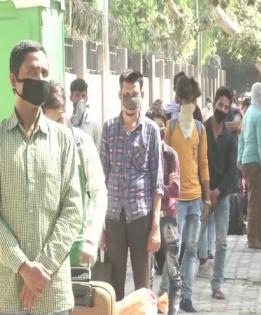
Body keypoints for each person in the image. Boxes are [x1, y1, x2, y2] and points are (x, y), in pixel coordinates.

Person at [0, 40, 82, 315]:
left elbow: (73, 211)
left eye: (45, 73)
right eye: (33, 72)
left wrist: (42, 269)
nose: (40, 79)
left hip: (53, 297)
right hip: (6, 297)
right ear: (14, 79)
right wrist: (24, 268)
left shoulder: (63, 140)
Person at [100, 69, 163, 301]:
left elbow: (157, 184)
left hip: (141, 217)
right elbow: (100, 180)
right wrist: (99, 227)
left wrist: (155, 227)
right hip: (114, 216)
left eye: (134, 93)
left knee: (143, 285)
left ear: (142, 93)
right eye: (126, 93)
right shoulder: (108, 129)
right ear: (119, 94)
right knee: (112, 283)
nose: (130, 97)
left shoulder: (151, 131)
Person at [43, 80, 108, 267]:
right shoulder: (36, 147)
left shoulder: (82, 143)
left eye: (60, 121)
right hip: (46, 253)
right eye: (51, 123)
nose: (58, 129)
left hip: (78, 249)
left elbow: (99, 194)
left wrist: (92, 238)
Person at [164, 75, 210, 313]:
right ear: (179, 99)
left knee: (191, 250)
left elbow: (203, 163)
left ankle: (187, 297)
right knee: (174, 249)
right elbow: (162, 162)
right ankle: (164, 296)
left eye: (194, 100)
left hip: (195, 200)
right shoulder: (169, 128)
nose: (190, 104)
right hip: (176, 201)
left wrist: (207, 197)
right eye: (187, 99)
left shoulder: (200, 129)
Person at [199, 86, 237, 300]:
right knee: (193, 240)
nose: (222, 108)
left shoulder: (230, 138)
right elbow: (197, 164)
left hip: (221, 196)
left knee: (221, 242)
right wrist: (206, 194)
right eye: (219, 104)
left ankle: (217, 284)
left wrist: (217, 192)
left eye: (226, 106)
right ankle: (185, 284)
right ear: (213, 103)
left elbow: (232, 173)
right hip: (202, 196)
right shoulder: (201, 131)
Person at [146, 109, 182, 315]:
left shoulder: (170, 155)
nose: (158, 132)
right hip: (147, 219)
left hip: (167, 218)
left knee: (173, 271)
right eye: (154, 127)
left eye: (161, 128)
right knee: (148, 272)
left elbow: (175, 189)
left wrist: (156, 190)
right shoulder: (143, 154)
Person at [238, 82, 261, 249]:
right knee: (255, 201)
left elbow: (241, 139)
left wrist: (239, 159)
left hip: (246, 161)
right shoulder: (259, 115)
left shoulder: (248, 113)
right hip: (255, 162)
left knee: (257, 200)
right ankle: (253, 237)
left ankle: (260, 234)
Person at [67, 78, 101, 149]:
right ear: (71, 98)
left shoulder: (94, 125)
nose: (80, 100)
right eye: (77, 96)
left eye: (83, 96)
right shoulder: (66, 125)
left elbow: (98, 152)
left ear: (86, 98)